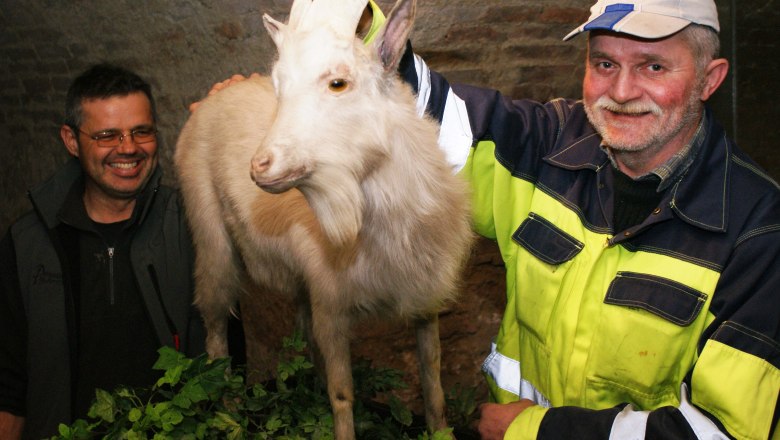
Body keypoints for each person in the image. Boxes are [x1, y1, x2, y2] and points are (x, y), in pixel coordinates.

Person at [206, 0, 779, 438]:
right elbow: (421, 109)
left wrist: (534, 430)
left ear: (710, 78)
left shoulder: (759, 232)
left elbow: (724, 431)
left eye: (653, 66)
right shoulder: (546, 147)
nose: (622, 92)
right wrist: (300, 83)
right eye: (604, 63)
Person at [0, 64, 244, 440]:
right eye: (107, 135)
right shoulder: (28, 243)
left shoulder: (195, 224)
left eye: (141, 132)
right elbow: (10, 387)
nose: (128, 148)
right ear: (71, 140)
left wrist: (246, 119)